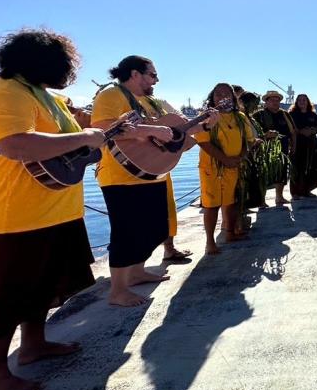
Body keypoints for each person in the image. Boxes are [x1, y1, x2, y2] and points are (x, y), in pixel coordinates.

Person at [0, 29, 106, 390]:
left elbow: (73, 143)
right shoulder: (3, 93)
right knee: (8, 297)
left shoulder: (46, 97)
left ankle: (34, 344)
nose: (68, 71)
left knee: (46, 287)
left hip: (58, 210)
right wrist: (85, 138)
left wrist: (89, 134)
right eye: (64, 64)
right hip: (17, 216)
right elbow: (17, 145)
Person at [92, 55, 211, 307]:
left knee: (152, 228)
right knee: (127, 232)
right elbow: (104, 129)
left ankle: (136, 272)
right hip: (120, 175)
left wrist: (205, 125)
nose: (156, 80)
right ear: (135, 74)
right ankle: (118, 290)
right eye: (153, 75)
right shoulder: (112, 95)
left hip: (152, 172)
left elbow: (180, 139)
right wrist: (153, 131)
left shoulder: (152, 103)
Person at [195, 83, 254, 254]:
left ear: (233, 97)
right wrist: (225, 159)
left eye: (226, 93)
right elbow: (203, 141)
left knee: (230, 201)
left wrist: (240, 158)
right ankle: (210, 242)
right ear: (212, 98)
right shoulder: (206, 116)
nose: (222, 96)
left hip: (233, 166)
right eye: (217, 94)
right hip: (212, 167)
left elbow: (247, 141)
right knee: (211, 205)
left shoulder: (240, 117)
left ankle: (230, 233)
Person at [253, 90, 296, 204]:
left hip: (283, 148)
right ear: (266, 102)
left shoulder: (284, 114)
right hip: (264, 150)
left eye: (277, 100)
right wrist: (265, 135)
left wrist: (294, 146)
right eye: (272, 100)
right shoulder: (258, 115)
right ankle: (261, 200)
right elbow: (251, 133)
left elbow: (292, 132)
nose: (275, 102)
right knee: (263, 174)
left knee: (282, 173)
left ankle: (279, 197)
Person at [288, 93, 317, 198]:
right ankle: (295, 192)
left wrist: (312, 130)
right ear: (296, 102)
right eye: (300, 100)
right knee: (297, 168)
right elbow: (291, 128)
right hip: (297, 144)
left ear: (308, 102)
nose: (302, 102)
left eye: (304, 100)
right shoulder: (292, 114)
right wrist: (301, 131)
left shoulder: (313, 114)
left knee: (311, 167)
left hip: (311, 144)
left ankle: (307, 190)